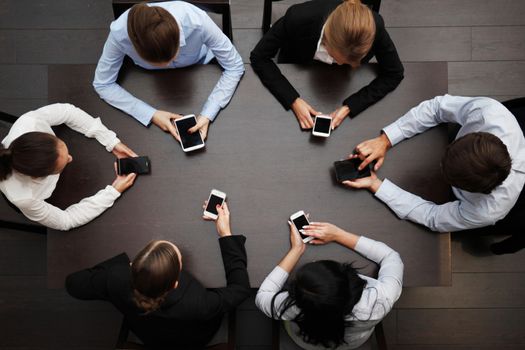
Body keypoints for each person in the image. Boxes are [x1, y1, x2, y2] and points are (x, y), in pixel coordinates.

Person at [344, 95, 525, 254]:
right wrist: (386, 140)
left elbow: (432, 217)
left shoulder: (486, 210)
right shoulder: (490, 114)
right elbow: (437, 107)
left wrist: (377, 185)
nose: (438, 165)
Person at [66, 201, 251, 349]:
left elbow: (73, 284)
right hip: (195, 340)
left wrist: (120, 269)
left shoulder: (116, 280)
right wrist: (226, 234)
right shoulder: (199, 303)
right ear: (175, 284)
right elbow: (240, 289)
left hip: (149, 336)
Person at [93, 1, 244, 142]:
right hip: (146, 81)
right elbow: (102, 84)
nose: (168, 64)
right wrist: (150, 113)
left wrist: (208, 113)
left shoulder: (197, 21)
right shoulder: (119, 33)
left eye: (175, 54)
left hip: (200, 65)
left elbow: (235, 65)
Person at [250, 0, 404, 131]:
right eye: (336, 58)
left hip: (344, 85)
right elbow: (259, 57)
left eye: (346, 62)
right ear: (327, 39)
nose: (339, 64)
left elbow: (394, 73)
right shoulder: (297, 18)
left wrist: (350, 107)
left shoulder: (374, 27)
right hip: (296, 67)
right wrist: (293, 100)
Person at [256, 220, 403, 349]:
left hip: (306, 342)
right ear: (347, 278)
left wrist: (296, 250)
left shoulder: (292, 306)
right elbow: (390, 256)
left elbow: (262, 297)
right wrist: (339, 235)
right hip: (354, 342)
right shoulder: (381, 299)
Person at [0, 103, 137, 231]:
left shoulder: (30, 122)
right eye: (63, 164)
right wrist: (113, 192)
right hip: (44, 198)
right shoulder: (24, 198)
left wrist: (110, 141)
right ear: (39, 177)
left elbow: (68, 112)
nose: (70, 158)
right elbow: (66, 220)